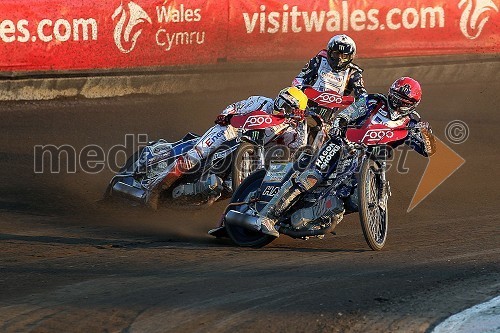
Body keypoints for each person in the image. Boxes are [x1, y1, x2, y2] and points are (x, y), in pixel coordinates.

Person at [256, 77, 437, 237]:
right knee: (312, 177)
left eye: (403, 101)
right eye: (395, 97)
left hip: (372, 162)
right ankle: (267, 216)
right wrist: (339, 125)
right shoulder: (373, 101)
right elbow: (347, 114)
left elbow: (428, 150)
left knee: (354, 201)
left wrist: (426, 134)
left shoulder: (413, 122)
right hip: (343, 144)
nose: (397, 103)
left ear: (413, 104)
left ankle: (317, 217)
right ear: (391, 93)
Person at [147, 86, 309, 207]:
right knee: (195, 155)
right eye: (281, 102)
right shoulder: (261, 101)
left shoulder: (292, 127)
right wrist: (225, 115)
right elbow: (237, 106)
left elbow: (297, 149)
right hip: (230, 130)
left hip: (255, 149)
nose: (281, 107)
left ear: (295, 111)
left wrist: (304, 126)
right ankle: (157, 188)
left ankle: (209, 199)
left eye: (288, 106)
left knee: (235, 186)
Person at [293, 34, 367, 121]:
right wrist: (301, 90)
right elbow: (299, 79)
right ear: (329, 52)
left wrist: (358, 103)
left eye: (344, 57)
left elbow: (363, 95)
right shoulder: (318, 60)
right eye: (336, 54)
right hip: (305, 105)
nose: (339, 60)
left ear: (351, 57)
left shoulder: (353, 72)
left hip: (329, 116)